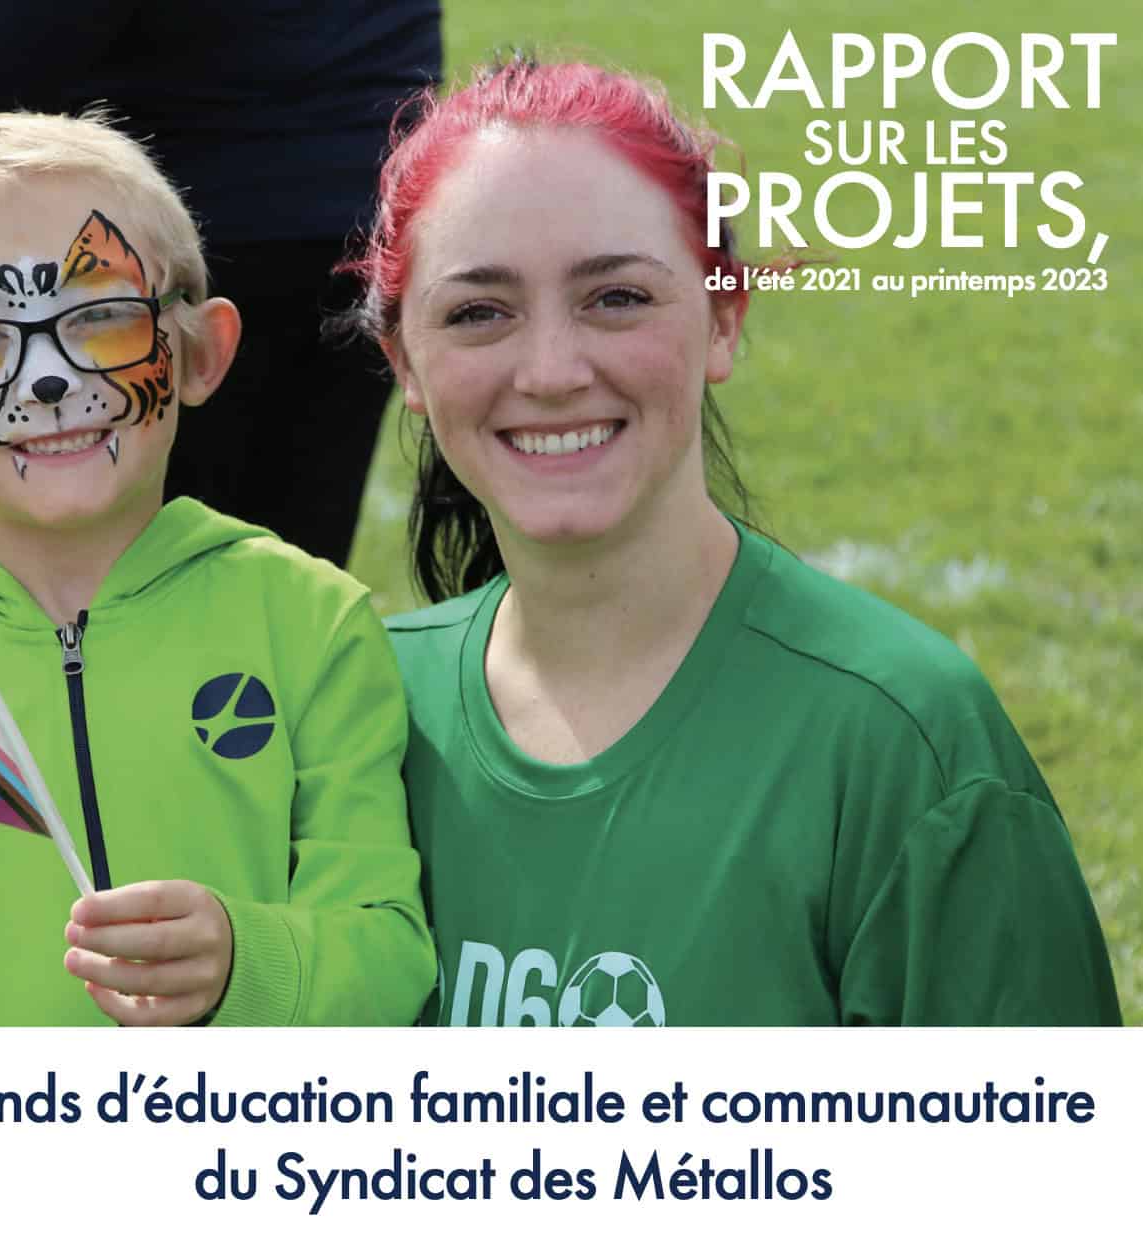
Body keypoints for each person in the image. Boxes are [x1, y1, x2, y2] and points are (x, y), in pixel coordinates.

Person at [345, 59, 1122, 1026]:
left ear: (723, 318)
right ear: (404, 362)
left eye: (616, 297)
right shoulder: (354, 715)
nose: (549, 370)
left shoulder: (903, 744)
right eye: (478, 313)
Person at [0, 111, 434, 1027]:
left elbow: (389, 956)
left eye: (101, 319)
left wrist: (247, 962)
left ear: (200, 350)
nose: (46, 378)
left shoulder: (309, 625)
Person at [0, 0, 442, 566]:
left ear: (211, 349)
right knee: (273, 569)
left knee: (48, 576)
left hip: (146, 234)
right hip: (355, 190)